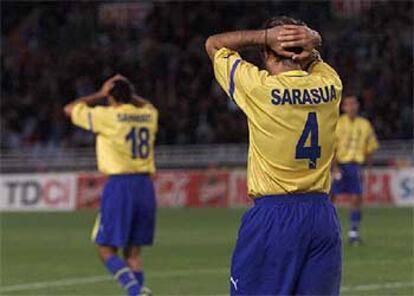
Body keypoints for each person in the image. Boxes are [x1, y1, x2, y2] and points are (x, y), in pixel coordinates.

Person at [205, 16, 343, 295]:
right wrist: (312, 38)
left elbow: (214, 44)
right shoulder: (331, 85)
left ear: (266, 53)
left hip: (275, 216)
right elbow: (316, 58)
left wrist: (264, 36)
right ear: (303, 54)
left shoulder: (260, 89)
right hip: (322, 216)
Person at [64, 75, 158, 296]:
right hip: (145, 186)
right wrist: (127, 92)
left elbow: (70, 109)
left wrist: (99, 93)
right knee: (133, 254)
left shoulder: (108, 116)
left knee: (106, 250)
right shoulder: (148, 115)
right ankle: (137, 291)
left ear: (110, 97)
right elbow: (147, 104)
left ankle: (136, 291)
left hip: (120, 185)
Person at [331, 95, 379, 245]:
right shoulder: (337, 123)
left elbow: (370, 148)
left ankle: (353, 232)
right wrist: (334, 167)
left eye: (353, 104)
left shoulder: (365, 125)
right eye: (348, 104)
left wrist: (369, 169)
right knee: (329, 197)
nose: (351, 107)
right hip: (340, 164)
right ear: (343, 107)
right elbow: (331, 147)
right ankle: (330, 230)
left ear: (357, 106)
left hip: (355, 165)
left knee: (356, 198)